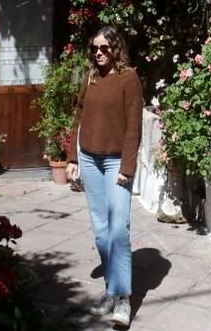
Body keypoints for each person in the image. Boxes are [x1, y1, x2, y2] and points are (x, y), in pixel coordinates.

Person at [65, 25, 142, 329]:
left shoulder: (129, 78)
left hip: (115, 163)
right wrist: (72, 157)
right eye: (95, 48)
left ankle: (123, 298)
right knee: (100, 231)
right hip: (89, 159)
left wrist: (128, 167)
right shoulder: (91, 78)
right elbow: (78, 118)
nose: (99, 53)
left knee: (118, 228)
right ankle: (111, 290)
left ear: (116, 49)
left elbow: (134, 127)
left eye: (105, 48)